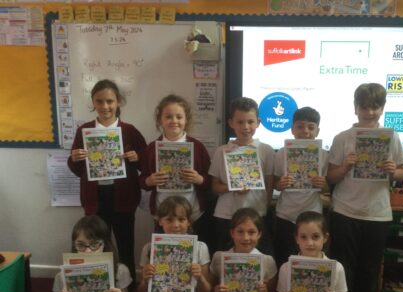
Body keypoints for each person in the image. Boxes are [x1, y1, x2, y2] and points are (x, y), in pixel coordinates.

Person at [327, 83, 403, 292]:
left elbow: (402, 173)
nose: (369, 111)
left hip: (377, 214)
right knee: (344, 272)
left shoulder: (391, 137)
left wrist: (393, 170)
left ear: (382, 108)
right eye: (364, 106)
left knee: (369, 274)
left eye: (374, 106)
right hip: (345, 212)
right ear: (356, 107)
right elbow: (331, 177)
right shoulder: (342, 138)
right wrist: (346, 166)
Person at [67, 79, 146, 280]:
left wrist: (137, 158)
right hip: (95, 198)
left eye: (110, 101)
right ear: (93, 102)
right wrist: (74, 159)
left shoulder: (129, 131)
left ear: (118, 101)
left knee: (125, 245)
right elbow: (77, 170)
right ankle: (100, 291)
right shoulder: (84, 131)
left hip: (123, 198)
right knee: (95, 246)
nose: (105, 106)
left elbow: (145, 164)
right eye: (99, 101)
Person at [137, 196, 211, 292]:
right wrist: (144, 280)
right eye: (169, 219)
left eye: (181, 219)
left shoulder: (200, 248)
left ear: (189, 221)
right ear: (160, 221)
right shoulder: (149, 249)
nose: (176, 225)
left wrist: (200, 277)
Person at [139, 94, 211, 244]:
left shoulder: (197, 147)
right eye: (169, 117)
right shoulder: (152, 148)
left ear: (186, 120)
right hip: (163, 214)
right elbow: (141, 181)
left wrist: (199, 179)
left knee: (192, 255)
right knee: (164, 253)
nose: (174, 121)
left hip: (192, 213)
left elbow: (210, 180)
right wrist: (149, 180)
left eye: (179, 117)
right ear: (160, 120)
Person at [209, 97, 274, 253]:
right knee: (226, 259)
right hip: (226, 215)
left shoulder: (266, 150)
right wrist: (233, 187)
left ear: (258, 122)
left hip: (256, 214)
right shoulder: (222, 151)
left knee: (257, 260)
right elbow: (214, 186)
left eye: (250, 122)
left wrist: (265, 206)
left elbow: (269, 183)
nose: (246, 127)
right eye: (240, 122)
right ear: (231, 123)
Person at [273, 106, 329, 268]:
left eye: (311, 127)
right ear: (292, 129)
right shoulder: (282, 153)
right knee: (284, 260)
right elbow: (276, 182)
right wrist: (280, 184)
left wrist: (323, 184)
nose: (305, 131)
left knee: (311, 261)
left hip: (312, 215)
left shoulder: (324, 155)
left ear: (317, 131)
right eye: (300, 126)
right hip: (286, 215)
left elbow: (327, 187)